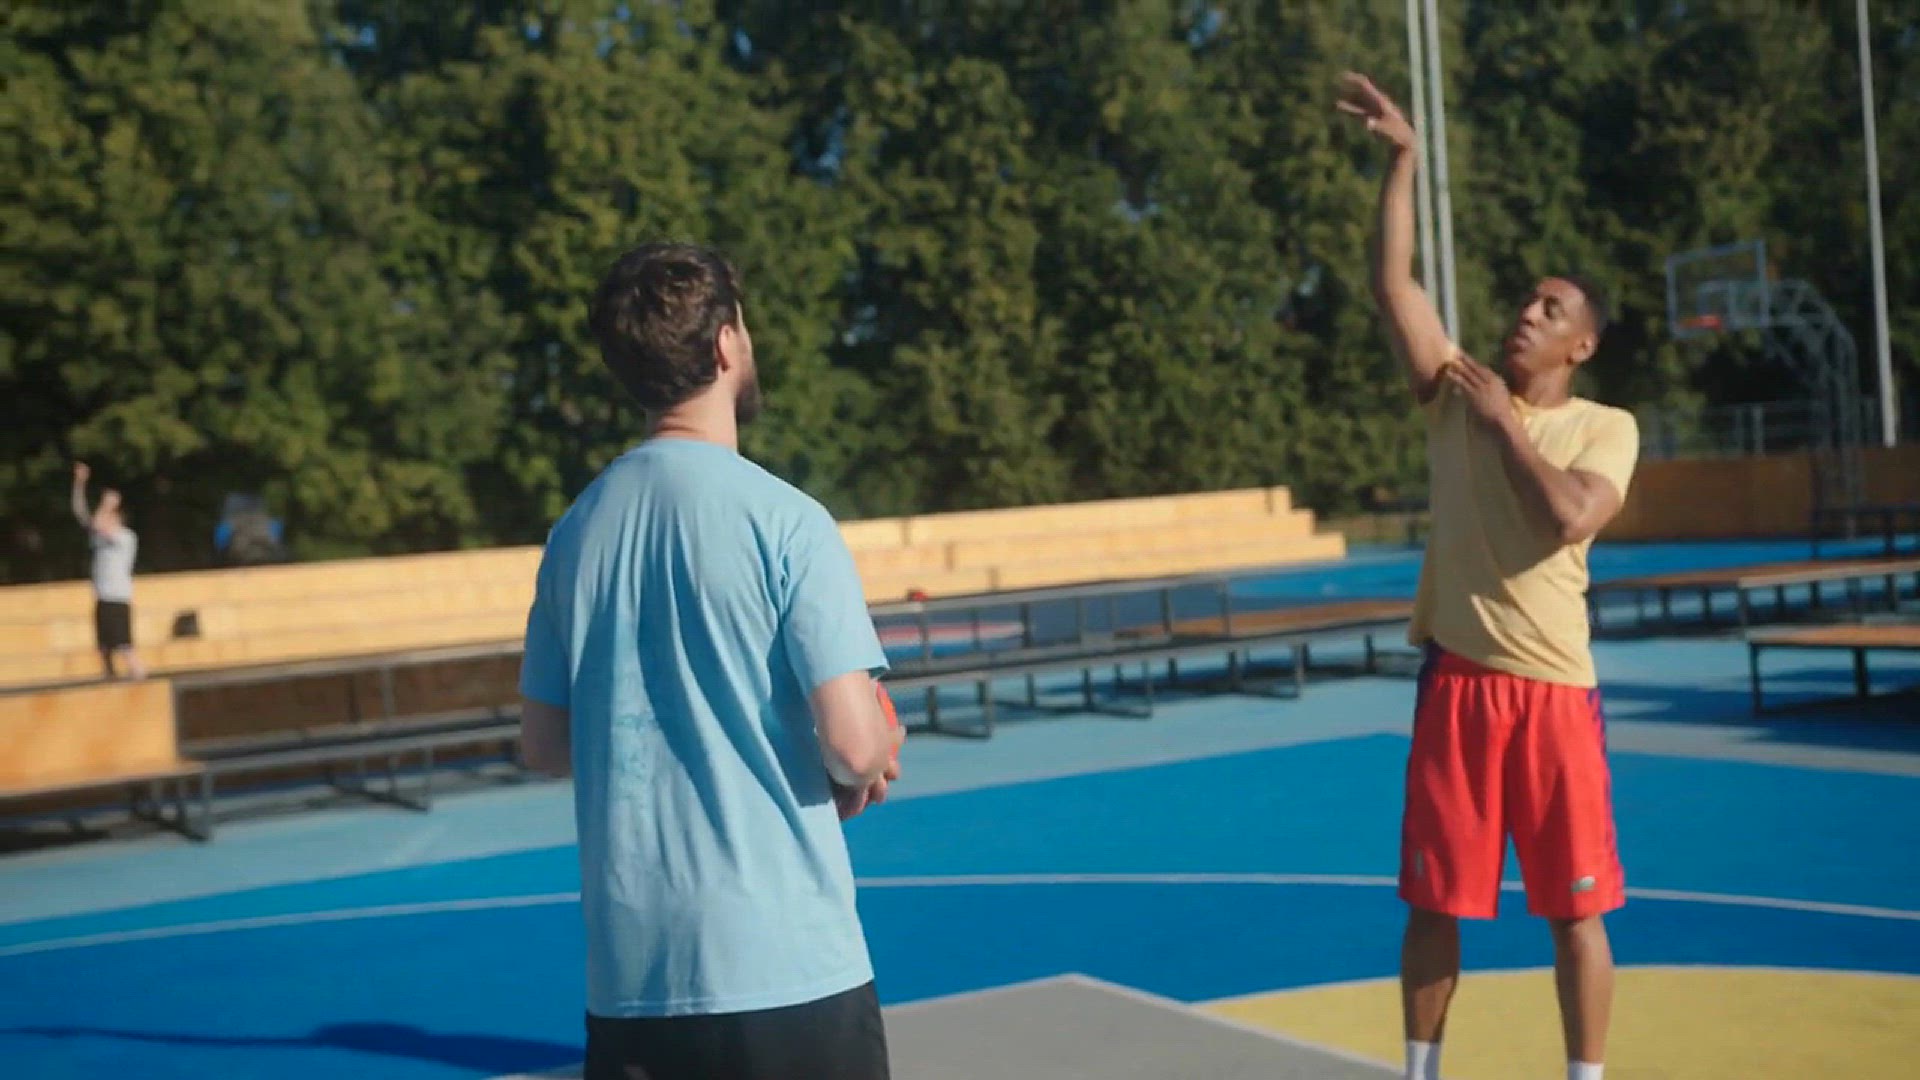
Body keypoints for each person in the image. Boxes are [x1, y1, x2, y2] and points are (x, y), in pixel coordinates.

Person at [516, 241, 905, 1080]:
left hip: (633, 979)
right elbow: (851, 746)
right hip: (786, 966)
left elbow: (544, 745)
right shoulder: (787, 520)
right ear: (728, 343)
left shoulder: (574, 535)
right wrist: (875, 741)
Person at [1337, 73, 1641, 1080]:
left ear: (1580, 344)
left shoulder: (1604, 427)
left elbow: (1568, 517)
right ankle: (1421, 1071)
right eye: (1525, 300)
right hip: (1460, 685)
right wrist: (1405, 159)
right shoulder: (1455, 396)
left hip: (1553, 693)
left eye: (1551, 309)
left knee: (1577, 911)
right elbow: (1395, 285)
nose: (1526, 313)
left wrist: (1507, 424)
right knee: (1434, 902)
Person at [70, 461, 145, 680]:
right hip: (102, 595)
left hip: (117, 596)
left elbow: (98, 523)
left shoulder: (125, 538)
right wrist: (79, 483)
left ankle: (139, 674)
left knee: (124, 644)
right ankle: (109, 676)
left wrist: (107, 505)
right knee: (104, 646)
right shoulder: (100, 537)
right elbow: (80, 512)